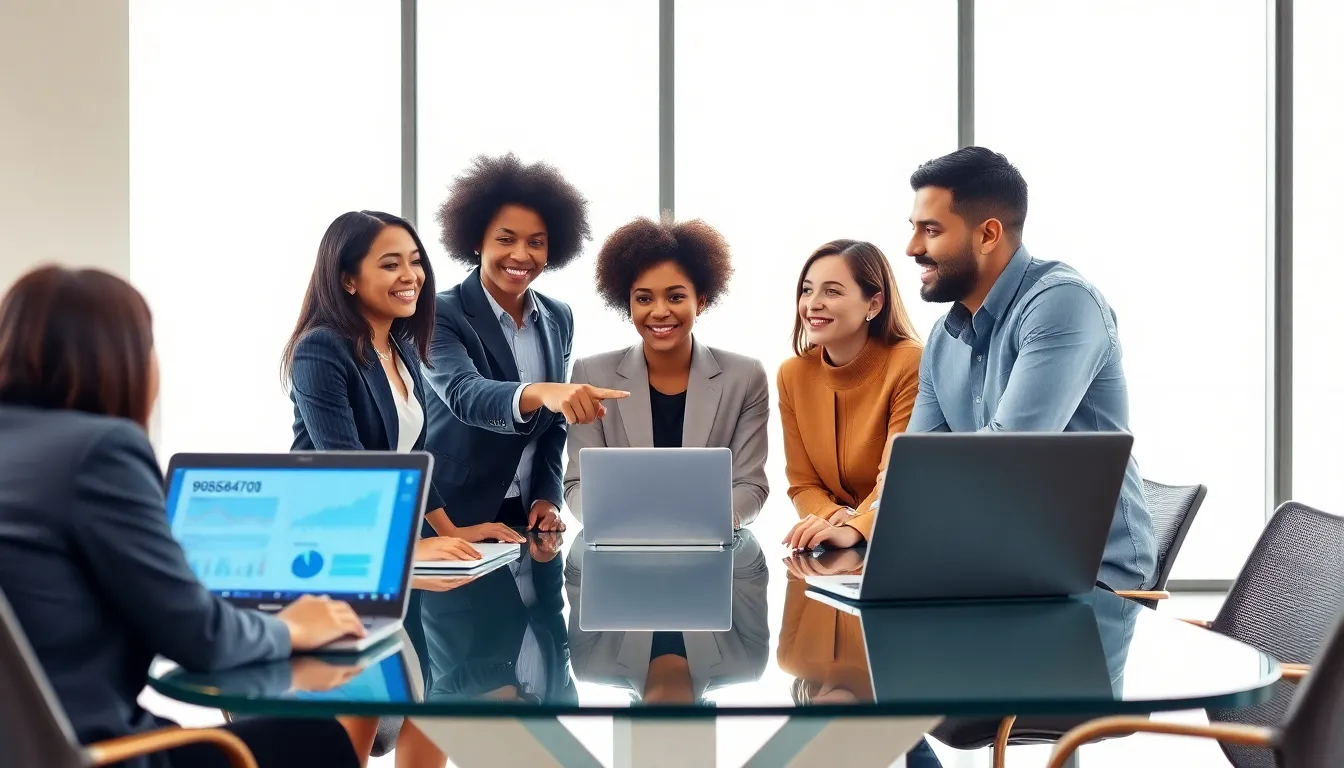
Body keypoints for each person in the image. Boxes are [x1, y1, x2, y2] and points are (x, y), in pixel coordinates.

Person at [0, 266, 379, 768]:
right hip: (85, 754)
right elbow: (199, 637)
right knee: (314, 738)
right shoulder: (101, 451)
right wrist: (291, 627)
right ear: (123, 359)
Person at [795, 147, 1157, 592]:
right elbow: (908, 472)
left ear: (987, 235)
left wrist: (925, 486)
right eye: (913, 229)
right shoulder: (943, 340)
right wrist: (857, 528)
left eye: (931, 231)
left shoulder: (1061, 303)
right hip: (996, 567)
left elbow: (1009, 459)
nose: (911, 249)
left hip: (1093, 581)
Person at [282, 209, 478, 768]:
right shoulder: (323, 348)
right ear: (348, 278)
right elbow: (346, 468)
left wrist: (452, 531)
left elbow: (412, 461)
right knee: (367, 701)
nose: (410, 275)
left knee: (433, 698)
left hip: (382, 553)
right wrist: (409, 549)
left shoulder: (400, 350)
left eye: (415, 262)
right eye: (390, 264)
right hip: (330, 549)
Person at [425, 153, 626, 534]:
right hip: (452, 517)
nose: (521, 255)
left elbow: (553, 425)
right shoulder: (437, 314)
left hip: (529, 520)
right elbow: (465, 395)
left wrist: (547, 496)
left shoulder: (559, 316)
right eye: (505, 239)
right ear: (475, 241)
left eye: (536, 242)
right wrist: (543, 392)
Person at [563, 216, 770, 526]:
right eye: (644, 298)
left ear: (700, 302)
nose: (659, 311)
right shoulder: (592, 373)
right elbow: (577, 485)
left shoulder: (745, 376)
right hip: (623, 547)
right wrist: (620, 524)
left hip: (708, 548)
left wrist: (703, 524)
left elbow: (750, 485)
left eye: (675, 297)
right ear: (628, 304)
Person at [778, 240, 922, 549]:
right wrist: (834, 518)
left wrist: (855, 528)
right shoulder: (792, 374)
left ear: (874, 304)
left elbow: (899, 474)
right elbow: (803, 484)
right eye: (807, 290)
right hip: (835, 544)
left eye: (832, 291)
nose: (812, 304)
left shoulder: (909, 362)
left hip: (902, 538)